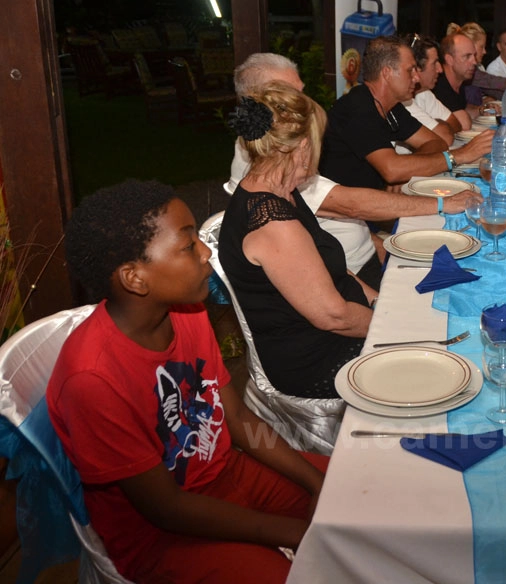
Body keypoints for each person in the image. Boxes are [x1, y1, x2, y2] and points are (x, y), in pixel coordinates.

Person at [48, 180, 327, 582]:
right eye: (188, 246)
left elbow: (238, 419)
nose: (206, 252)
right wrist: (294, 531)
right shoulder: (92, 379)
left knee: (354, 490)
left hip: (227, 472)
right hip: (163, 533)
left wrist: (315, 480)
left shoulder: (188, 313)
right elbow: (166, 508)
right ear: (135, 277)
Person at [228, 53, 477, 286]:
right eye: (289, 95)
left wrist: (374, 242)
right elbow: (347, 203)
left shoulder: (282, 146)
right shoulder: (264, 159)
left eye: (301, 93)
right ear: (257, 101)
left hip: (363, 252)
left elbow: (331, 214)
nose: (304, 103)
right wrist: (444, 203)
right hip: (347, 272)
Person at [222, 82, 379, 398]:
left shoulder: (284, 191)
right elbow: (332, 316)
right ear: (303, 146)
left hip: (337, 329)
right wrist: (390, 327)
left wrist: (381, 302)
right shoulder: (271, 221)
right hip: (316, 359)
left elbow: (331, 271)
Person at [321, 36, 493, 191]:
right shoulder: (358, 107)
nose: (416, 78)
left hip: (374, 204)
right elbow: (391, 170)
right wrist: (460, 155)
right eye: (410, 70)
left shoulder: (392, 106)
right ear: (387, 73)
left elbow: (437, 142)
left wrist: (407, 167)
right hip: (345, 218)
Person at [399, 33, 460, 151]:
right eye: (434, 63)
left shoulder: (424, 93)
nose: (440, 69)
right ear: (417, 68)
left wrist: (433, 124)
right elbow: (446, 137)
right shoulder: (404, 101)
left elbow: (456, 125)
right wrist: (435, 126)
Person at [432, 29, 482, 128]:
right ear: (449, 60)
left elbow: (461, 109)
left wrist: (483, 110)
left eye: (474, 55)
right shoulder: (438, 84)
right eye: (467, 56)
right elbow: (464, 123)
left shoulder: (459, 82)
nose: (474, 62)